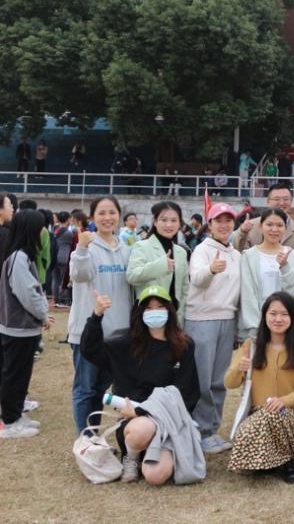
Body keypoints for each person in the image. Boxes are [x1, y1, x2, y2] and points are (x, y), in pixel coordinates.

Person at [83, 285, 201, 485]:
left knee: (156, 476)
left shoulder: (184, 345)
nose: (155, 312)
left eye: (160, 307)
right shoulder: (126, 343)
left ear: (170, 311)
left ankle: (155, 455)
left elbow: (188, 391)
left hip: (168, 420)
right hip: (134, 421)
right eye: (149, 308)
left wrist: (148, 410)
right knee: (141, 429)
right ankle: (131, 457)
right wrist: (96, 316)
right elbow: (90, 350)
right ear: (140, 313)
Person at [226, 292, 294, 483]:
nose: (278, 319)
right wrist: (239, 369)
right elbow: (230, 383)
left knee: (273, 413)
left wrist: (283, 401)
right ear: (265, 316)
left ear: (293, 318)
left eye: (284, 314)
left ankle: (288, 461)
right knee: (252, 428)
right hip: (257, 413)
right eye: (273, 313)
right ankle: (271, 462)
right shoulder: (251, 345)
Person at [66, 197, 133, 433]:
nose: (107, 218)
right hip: (88, 333)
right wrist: (82, 248)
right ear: (92, 217)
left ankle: (93, 434)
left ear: (119, 215)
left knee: (101, 389)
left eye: (112, 212)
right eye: (101, 213)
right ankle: (85, 439)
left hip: (117, 335)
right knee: (84, 389)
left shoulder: (127, 249)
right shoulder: (87, 246)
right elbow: (79, 275)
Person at [185, 202, 242, 454]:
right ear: (210, 224)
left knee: (219, 380)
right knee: (202, 380)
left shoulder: (237, 255)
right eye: (219, 220)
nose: (224, 225)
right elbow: (196, 279)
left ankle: (211, 430)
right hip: (202, 319)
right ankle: (199, 430)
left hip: (227, 319)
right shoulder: (202, 250)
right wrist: (210, 270)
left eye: (228, 220)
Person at [0, 210, 54, 439]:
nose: (42, 232)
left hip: (22, 328)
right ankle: (10, 421)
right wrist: (43, 315)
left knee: (20, 375)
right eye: (40, 228)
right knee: (15, 375)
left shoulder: (21, 256)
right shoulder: (19, 258)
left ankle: (16, 415)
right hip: (17, 328)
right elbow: (28, 294)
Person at [239, 209, 294, 341]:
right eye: (269, 224)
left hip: (283, 326)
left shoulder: (293, 256)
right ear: (261, 226)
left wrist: (285, 267)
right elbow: (247, 294)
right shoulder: (248, 256)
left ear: (285, 228)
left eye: (279, 225)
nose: (274, 229)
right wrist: (256, 327)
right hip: (255, 328)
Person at [127, 201, 189, 315]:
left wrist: (181, 314)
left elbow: (185, 289)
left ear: (179, 223)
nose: (169, 225)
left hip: (174, 317)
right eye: (163, 220)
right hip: (149, 316)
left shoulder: (181, 252)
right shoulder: (141, 246)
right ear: (155, 222)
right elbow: (132, 276)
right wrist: (160, 266)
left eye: (174, 220)